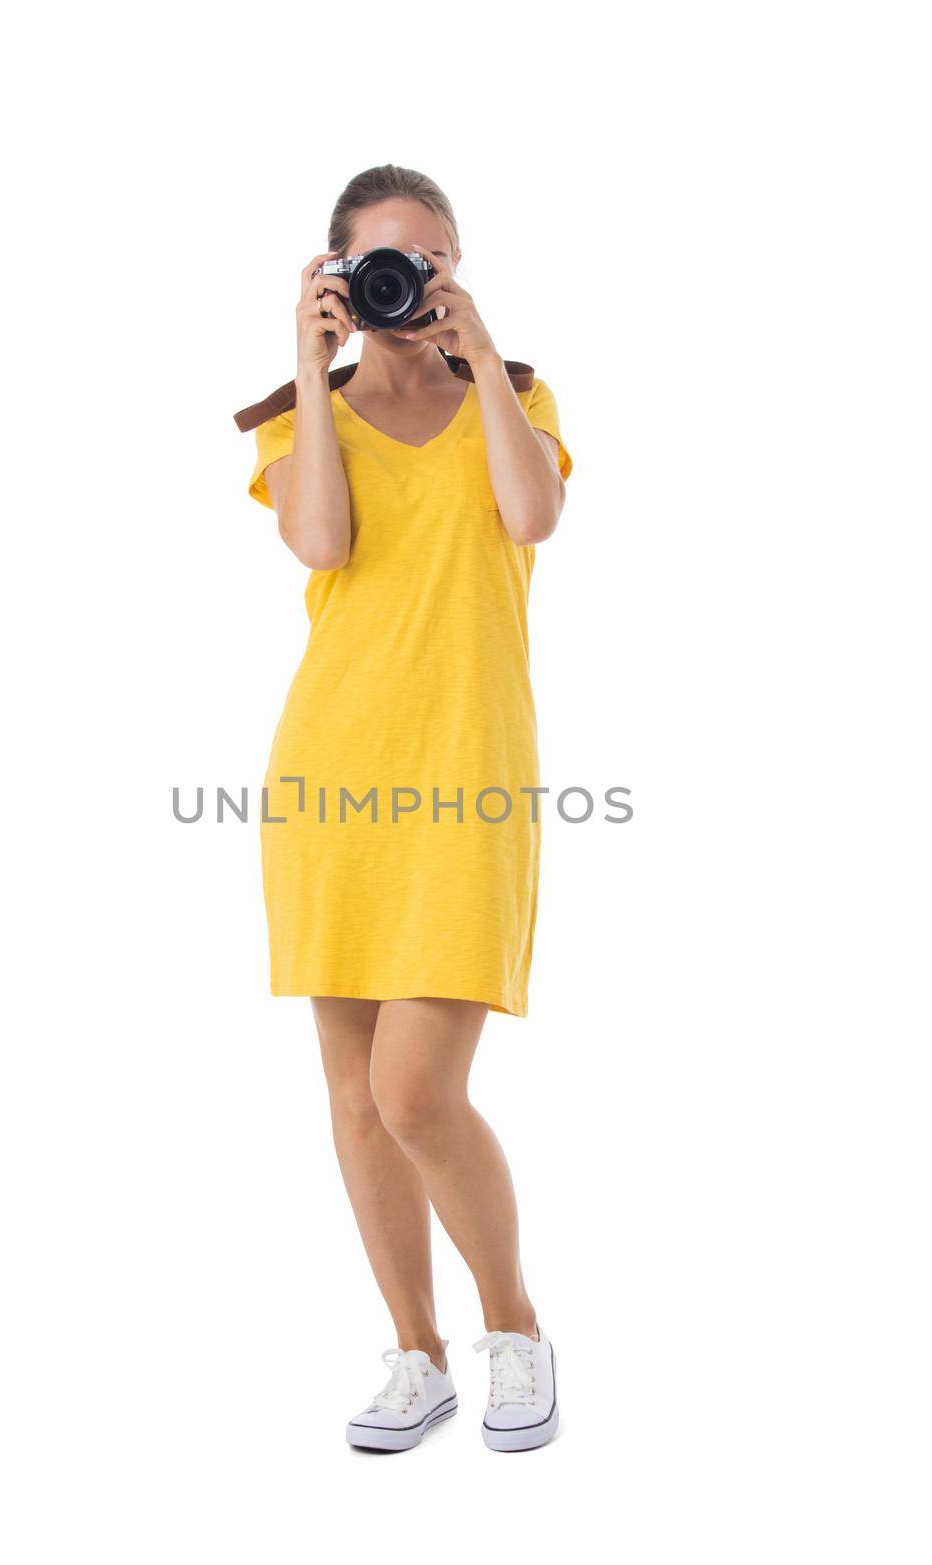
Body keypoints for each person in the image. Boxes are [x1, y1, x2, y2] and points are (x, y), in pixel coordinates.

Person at [245, 165, 573, 1452]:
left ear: (453, 272)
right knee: (353, 1097)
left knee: (418, 1091)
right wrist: (309, 368)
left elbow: (532, 511)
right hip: (330, 775)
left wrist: (479, 358)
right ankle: (415, 1353)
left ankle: (515, 1328)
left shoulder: (519, 396)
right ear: (335, 277)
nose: (402, 287)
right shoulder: (292, 422)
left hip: (469, 775)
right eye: (377, 265)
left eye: (424, 263)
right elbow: (321, 542)